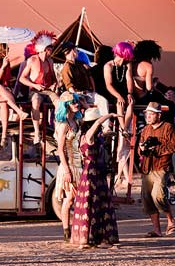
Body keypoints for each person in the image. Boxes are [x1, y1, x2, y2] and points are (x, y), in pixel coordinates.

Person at [71, 108, 121, 248]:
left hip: (91, 173)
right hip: (93, 173)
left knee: (91, 205)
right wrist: (110, 115)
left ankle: (90, 238)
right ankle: (95, 238)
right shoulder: (89, 135)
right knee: (96, 204)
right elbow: (98, 122)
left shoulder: (85, 137)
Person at [139, 102, 175, 237]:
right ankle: (157, 230)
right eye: (147, 114)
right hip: (147, 168)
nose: (148, 117)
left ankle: (170, 220)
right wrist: (142, 149)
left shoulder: (168, 127)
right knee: (147, 199)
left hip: (161, 166)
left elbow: (174, 147)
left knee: (159, 196)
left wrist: (156, 149)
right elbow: (141, 149)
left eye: (151, 114)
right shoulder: (145, 129)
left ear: (159, 115)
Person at [60, 41, 112, 135]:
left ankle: (106, 127)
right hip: (77, 94)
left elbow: (90, 77)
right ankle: (86, 130)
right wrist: (76, 97)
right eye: (75, 49)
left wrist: (93, 91)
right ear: (71, 51)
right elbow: (69, 86)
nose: (77, 51)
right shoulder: (67, 67)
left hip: (88, 93)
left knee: (103, 101)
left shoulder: (80, 64)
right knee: (89, 111)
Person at [19, 30, 59, 144]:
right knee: (35, 101)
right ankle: (37, 132)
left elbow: (54, 79)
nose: (52, 50)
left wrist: (54, 85)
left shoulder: (50, 61)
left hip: (47, 91)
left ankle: (57, 129)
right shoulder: (32, 60)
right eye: (50, 48)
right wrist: (34, 85)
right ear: (45, 48)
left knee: (59, 102)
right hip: (35, 90)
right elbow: (22, 78)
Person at [0, 42, 29, 146]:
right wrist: (3, 67)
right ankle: (18, 111)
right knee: (0, 88)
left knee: (3, 101)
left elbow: (8, 79)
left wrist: (8, 85)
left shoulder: (5, 62)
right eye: (5, 49)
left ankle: (3, 135)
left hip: (3, 92)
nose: (8, 50)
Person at [54, 91, 83, 242]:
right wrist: (66, 170)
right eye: (72, 102)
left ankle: (78, 229)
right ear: (66, 106)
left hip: (79, 164)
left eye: (76, 101)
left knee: (79, 198)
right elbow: (60, 149)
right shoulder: (64, 124)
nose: (76, 104)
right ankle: (66, 231)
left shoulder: (76, 122)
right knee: (69, 198)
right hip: (69, 165)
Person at [104, 41, 135, 135]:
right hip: (113, 92)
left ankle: (125, 128)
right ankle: (123, 128)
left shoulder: (127, 64)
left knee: (131, 102)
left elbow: (129, 80)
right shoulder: (108, 66)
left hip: (124, 90)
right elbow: (108, 84)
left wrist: (129, 93)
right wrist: (118, 96)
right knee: (119, 103)